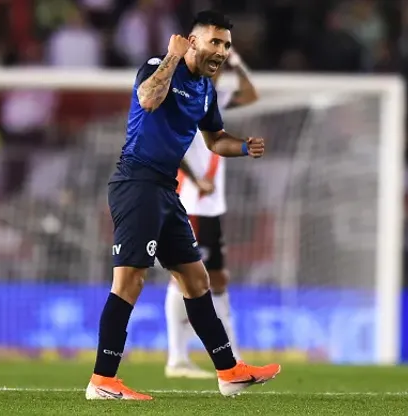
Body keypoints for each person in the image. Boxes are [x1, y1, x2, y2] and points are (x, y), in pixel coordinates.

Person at [85, 10, 280, 401]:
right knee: (130, 281)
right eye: (215, 42)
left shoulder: (206, 89)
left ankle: (229, 372)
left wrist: (242, 146)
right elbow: (148, 99)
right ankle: (102, 380)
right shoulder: (158, 66)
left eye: (226, 44)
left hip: (165, 190)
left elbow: (214, 139)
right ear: (191, 42)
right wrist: (173, 59)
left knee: (196, 279)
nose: (222, 51)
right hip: (136, 183)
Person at [164, 48, 259, 379]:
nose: (217, 68)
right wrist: (194, 179)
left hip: (212, 204)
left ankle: (231, 352)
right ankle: (177, 357)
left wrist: (238, 62)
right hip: (192, 201)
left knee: (217, 277)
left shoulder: (214, 99)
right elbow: (168, 145)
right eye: (213, 62)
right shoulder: (185, 99)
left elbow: (251, 93)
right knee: (185, 277)